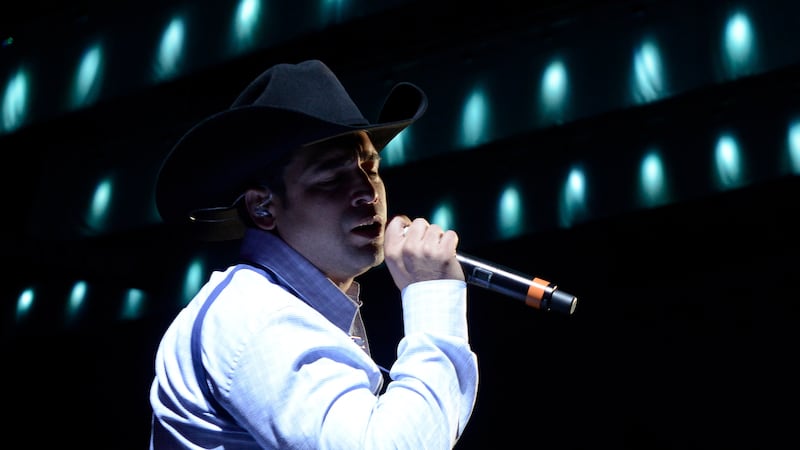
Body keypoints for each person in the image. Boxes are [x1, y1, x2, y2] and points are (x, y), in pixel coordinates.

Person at [149, 59, 479, 449]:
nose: (368, 192)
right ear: (262, 208)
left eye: (370, 168)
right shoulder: (255, 313)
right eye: (332, 177)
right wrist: (432, 299)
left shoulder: (286, 308)